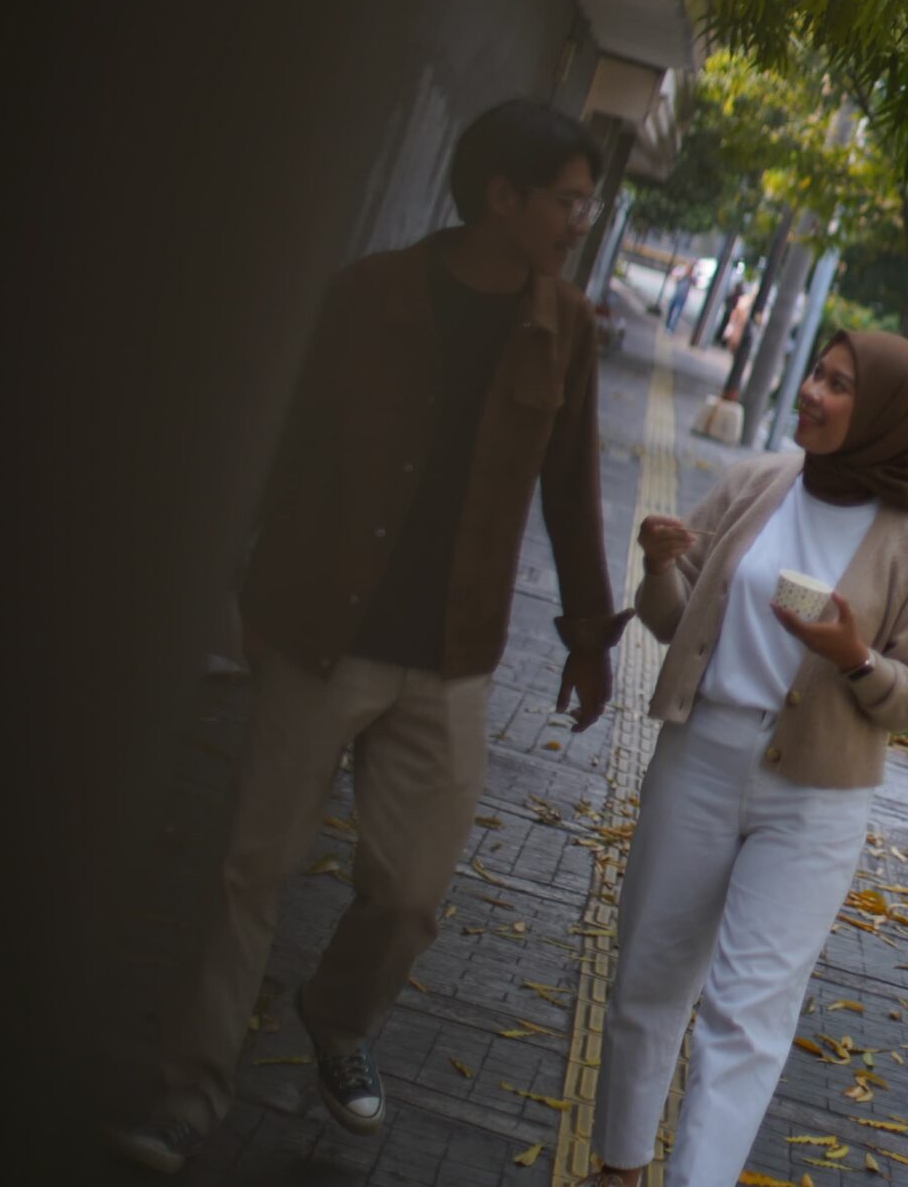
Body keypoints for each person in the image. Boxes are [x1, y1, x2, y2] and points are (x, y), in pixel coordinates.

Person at [110, 99, 625, 1175]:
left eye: (587, 203)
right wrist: (245, 581)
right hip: (323, 629)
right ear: (502, 196)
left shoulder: (567, 327)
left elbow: (572, 489)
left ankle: (337, 1018)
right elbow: (293, 442)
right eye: (567, 201)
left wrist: (589, 636)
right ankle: (188, 1093)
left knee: (409, 895)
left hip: (452, 654)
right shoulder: (372, 294)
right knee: (249, 875)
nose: (581, 221)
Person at [582, 330, 908, 1187]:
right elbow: (672, 619)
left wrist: (856, 659)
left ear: (886, 415)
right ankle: (619, 1168)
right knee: (649, 974)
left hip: (816, 797)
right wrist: (658, 565)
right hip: (701, 755)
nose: (812, 393)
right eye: (816, 373)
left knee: (746, 1015)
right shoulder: (759, 483)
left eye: (839, 384)